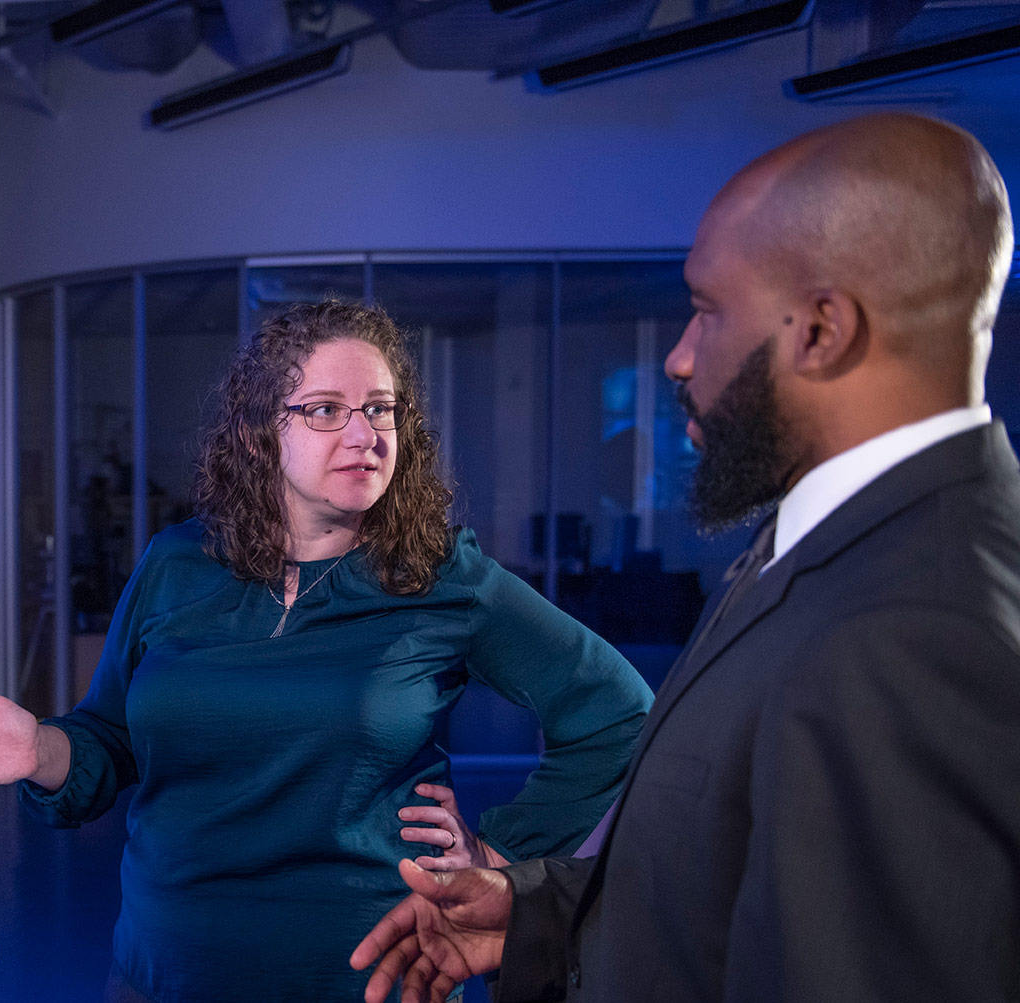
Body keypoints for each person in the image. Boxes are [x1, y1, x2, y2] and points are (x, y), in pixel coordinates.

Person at [352, 112, 1020, 1003]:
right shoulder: (834, 540)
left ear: (822, 329)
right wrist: (535, 912)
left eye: (707, 313)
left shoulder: (921, 632)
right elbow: (721, 865)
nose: (676, 357)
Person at [0, 300, 654, 1001]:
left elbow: (619, 715)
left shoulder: (442, 576)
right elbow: (109, 739)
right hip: (164, 978)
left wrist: (498, 859)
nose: (364, 435)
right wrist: (40, 748)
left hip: (370, 981)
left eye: (380, 409)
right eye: (326, 410)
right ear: (264, 430)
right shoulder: (176, 562)